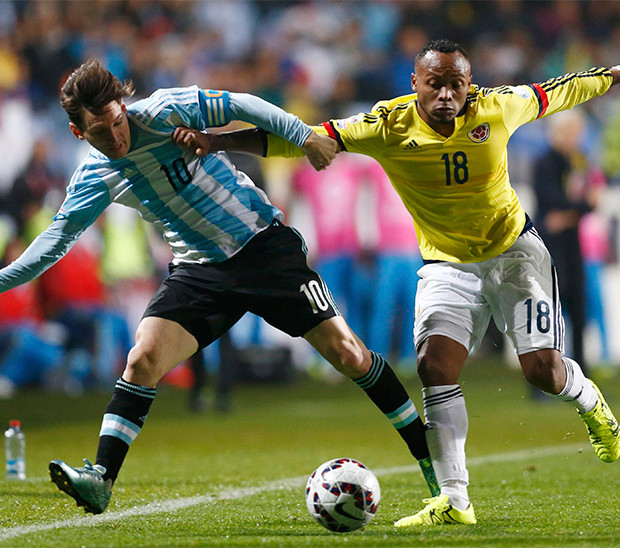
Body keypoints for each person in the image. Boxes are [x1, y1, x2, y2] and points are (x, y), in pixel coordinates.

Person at [177, 39, 620, 527]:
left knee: (541, 372)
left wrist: (614, 75)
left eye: (456, 84)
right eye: (436, 84)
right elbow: (301, 137)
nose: (447, 95)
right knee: (435, 365)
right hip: (447, 264)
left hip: (514, 254)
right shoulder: (387, 125)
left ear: (469, 85)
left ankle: (589, 399)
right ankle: (454, 498)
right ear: (415, 83)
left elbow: (564, 89)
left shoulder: (497, 107)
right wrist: (216, 141)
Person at [0, 59, 439, 514]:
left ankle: (429, 458)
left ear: (123, 106)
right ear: (78, 133)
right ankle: (100, 479)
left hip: (262, 248)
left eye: (116, 121)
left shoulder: (166, 111)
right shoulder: (95, 176)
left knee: (349, 355)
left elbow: (242, 104)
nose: (116, 136)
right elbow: (50, 245)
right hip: (199, 270)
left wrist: (304, 134)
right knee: (143, 357)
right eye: (99, 132)